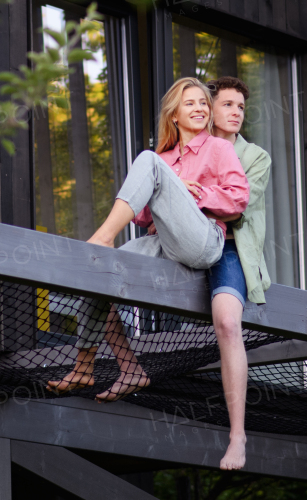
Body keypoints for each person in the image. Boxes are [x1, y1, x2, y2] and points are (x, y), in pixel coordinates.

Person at [46, 77, 249, 403]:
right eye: (190, 103)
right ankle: (103, 367)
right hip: (165, 244)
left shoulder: (219, 148)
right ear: (174, 115)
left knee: (147, 160)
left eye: (203, 103)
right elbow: (141, 217)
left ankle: (103, 236)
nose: (199, 108)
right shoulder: (164, 158)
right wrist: (166, 193)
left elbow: (238, 200)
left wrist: (193, 195)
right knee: (101, 273)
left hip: (205, 241)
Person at [205, 75, 272, 471]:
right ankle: (120, 364)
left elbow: (236, 204)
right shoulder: (188, 149)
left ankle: (237, 437)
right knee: (110, 272)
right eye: (227, 104)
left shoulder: (256, 157)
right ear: (208, 109)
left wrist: (193, 195)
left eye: (240, 107)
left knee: (229, 325)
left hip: (229, 249)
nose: (235, 113)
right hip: (184, 246)